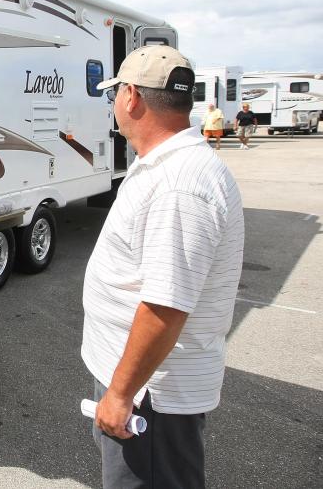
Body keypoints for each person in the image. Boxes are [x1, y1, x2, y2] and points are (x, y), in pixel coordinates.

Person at [82, 46, 244, 488]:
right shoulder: (169, 165)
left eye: (114, 93)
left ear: (131, 96)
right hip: (146, 387)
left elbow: (165, 307)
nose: (115, 103)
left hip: (151, 395)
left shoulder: (179, 184)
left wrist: (120, 393)